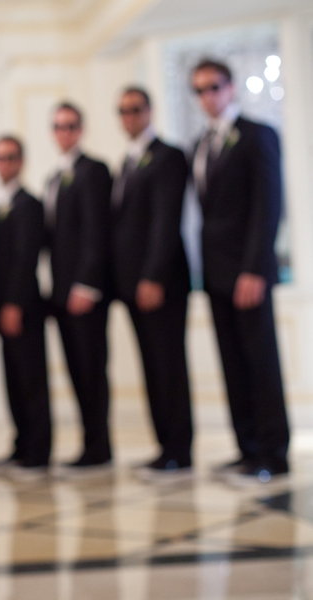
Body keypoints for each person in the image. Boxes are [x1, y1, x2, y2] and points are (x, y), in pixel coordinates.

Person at [191, 59, 290, 484]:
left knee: (260, 361)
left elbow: (269, 207)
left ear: (230, 88)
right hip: (216, 275)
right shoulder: (200, 143)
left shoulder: (256, 135)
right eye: (198, 90)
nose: (207, 97)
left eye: (213, 87)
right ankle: (247, 449)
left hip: (249, 273)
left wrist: (254, 269)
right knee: (232, 362)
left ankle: (274, 453)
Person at [110, 87, 193, 480]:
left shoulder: (169, 156)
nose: (129, 116)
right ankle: (165, 447)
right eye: (123, 111)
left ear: (149, 111)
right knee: (152, 366)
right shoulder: (125, 162)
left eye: (135, 109)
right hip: (132, 286)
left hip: (161, 282)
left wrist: (152, 276)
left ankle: (179, 449)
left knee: (168, 365)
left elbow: (165, 221)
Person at [45, 103, 114, 473]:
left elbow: (96, 231)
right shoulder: (54, 178)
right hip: (61, 295)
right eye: (58, 126)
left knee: (92, 368)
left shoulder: (94, 170)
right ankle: (89, 443)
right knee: (76, 370)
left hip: (85, 293)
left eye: (70, 125)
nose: (64, 132)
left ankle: (99, 446)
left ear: (81, 129)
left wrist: (86, 283)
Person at [0, 135, 51, 478]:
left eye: (10, 157)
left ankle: (38, 451)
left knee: (31, 378)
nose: (4, 164)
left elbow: (25, 260)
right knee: (12, 378)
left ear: (21, 161)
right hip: (2, 307)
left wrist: (13, 304)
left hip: (23, 307)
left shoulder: (29, 203)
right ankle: (21, 444)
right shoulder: (1, 202)